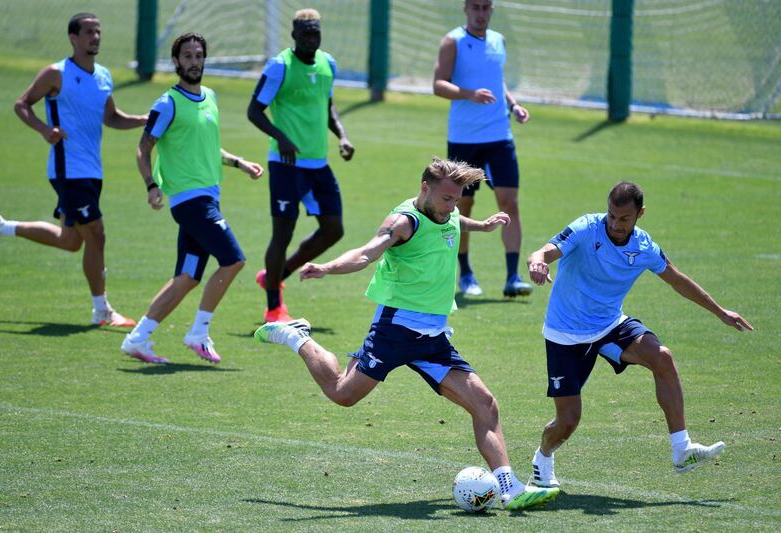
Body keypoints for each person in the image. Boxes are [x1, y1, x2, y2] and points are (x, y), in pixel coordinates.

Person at [255, 158, 560, 510]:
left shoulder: (446, 213)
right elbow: (366, 253)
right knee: (343, 393)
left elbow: (454, 222)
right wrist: (327, 267)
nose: (453, 205)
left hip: (433, 337)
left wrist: (483, 225)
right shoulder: (404, 223)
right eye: (447, 198)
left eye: (458, 198)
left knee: (485, 403)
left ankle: (510, 489)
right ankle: (297, 337)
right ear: (424, 187)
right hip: (396, 329)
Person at [525, 181, 753, 487]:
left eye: (624, 219)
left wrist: (720, 311)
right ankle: (543, 456)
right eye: (611, 216)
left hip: (609, 325)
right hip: (565, 333)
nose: (616, 225)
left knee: (662, 357)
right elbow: (544, 251)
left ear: (640, 214)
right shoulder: (586, 227)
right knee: (567, 421)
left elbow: (678, 280)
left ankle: (681, 449)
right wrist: (537, 262)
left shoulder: (643, 246)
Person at [0, 13, 146, 326]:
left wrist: (140, 120)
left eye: (98, 32)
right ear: (73, 37)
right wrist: (44, 130)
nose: (95, 37)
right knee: (97, 234)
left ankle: (1, 227)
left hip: (91, 171)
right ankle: (102, 310)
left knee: (72, 241)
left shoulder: (104, 76)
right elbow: (22, 103)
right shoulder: (56, 73)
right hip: (68, 170)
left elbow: (111, 117)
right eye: (88, 32)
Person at [120, 33, 263, 364]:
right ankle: (199, 332)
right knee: (234, 259)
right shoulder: (167, 103)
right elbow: (144, 148)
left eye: (199, 55)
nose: (194, 61)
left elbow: (210, 148)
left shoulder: (210, 96)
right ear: (176, 61)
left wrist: (239, 163)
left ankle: (137, 338)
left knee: (187, 277)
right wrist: (151, 185)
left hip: (207, 198)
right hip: (191, 202)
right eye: (187, 55)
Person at [247, 8, 355, 323]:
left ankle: (277, 274)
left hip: (318, 164)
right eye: (305, 33)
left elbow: (328, 107)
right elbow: (254, 111)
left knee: (334, 229)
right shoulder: (280, 66)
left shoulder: (328, 64)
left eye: (315, 33)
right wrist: (280, 137)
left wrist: (343, 137)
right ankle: (273, 307)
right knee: (283, 231)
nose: (311, 38)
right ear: (293, 34)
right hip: (286, 164)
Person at [433, 0, 532, 298]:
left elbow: (496, 81)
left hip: (499, 136)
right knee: (462, 206)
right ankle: (465, 274)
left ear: (492, 10)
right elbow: (438, 84)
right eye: (475, 7)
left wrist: (513, 105)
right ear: (465, 9)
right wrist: (468, 94)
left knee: (510, 203)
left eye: (486, 7)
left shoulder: (498, 41)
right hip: (464, 139)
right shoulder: (453, 41)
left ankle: (513, 277)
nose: (480, 13)